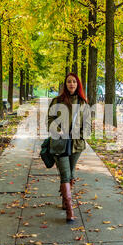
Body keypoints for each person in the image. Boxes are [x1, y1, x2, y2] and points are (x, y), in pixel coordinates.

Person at [47, 73, 91, 223]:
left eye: (74, 82)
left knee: (71, 174)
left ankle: (65, 201)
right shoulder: (57, 101)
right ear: (65, 84)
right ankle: (70, 210)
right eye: (68, 82)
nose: (71, 84)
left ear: (78, 84)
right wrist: (58, 131)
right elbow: (50, 119)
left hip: (76, 145)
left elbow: (88, 125)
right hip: (60, 144)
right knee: (65, 174)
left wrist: (79, 134)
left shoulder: (83, 103)